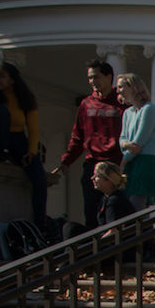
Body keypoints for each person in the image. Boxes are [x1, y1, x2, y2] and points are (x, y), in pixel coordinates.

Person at [53, 59, 126, 230]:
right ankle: (95, 253)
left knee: (116, 211)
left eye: (97, 77)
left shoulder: (122, 102)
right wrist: (65, 162)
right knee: (92, 212)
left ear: (109, 77)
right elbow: (77, 136)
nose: (93, 82)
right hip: (93, 166)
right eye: (90, 78)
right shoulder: (87, 104)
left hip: (117, 165)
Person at [0, 62, 49, 228]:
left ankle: (40, 224)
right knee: (1, 111)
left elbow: (33, 129)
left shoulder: (25, 98)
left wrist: (31, 152)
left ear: (12, 79)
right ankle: (4, 154)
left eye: (1, 76)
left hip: (17, 139)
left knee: (39, 178)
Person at [115, 73, 155, 209]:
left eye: (121, 86)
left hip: (145, 162)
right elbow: (122, 139)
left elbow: (139, 143)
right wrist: (126, 145)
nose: (118, 90)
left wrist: (124, 159)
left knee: (137, 205)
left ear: (133, 87)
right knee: (130, 204)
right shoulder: (127, 113)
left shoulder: (149, 109)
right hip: (130, 162)